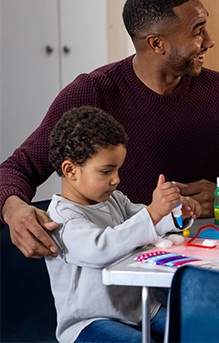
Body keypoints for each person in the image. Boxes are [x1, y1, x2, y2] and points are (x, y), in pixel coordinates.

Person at [0, 0, 219, 259]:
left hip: (205, 261)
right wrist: (13, 208)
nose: (209, 40)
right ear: (156, 43)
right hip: (121, 268)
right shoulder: (92, 93)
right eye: (197, 32)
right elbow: (16, 169)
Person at [45, 106, 200, 343]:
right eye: (106, 171)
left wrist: (174, 213)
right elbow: (101, 248)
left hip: (139, 310)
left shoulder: (113, 199)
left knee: (197, 330)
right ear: (70, 170)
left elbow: (145, 222)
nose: (116, 179)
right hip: (90, 322)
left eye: (117, 169)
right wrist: (153, 212)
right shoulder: (62, 219)